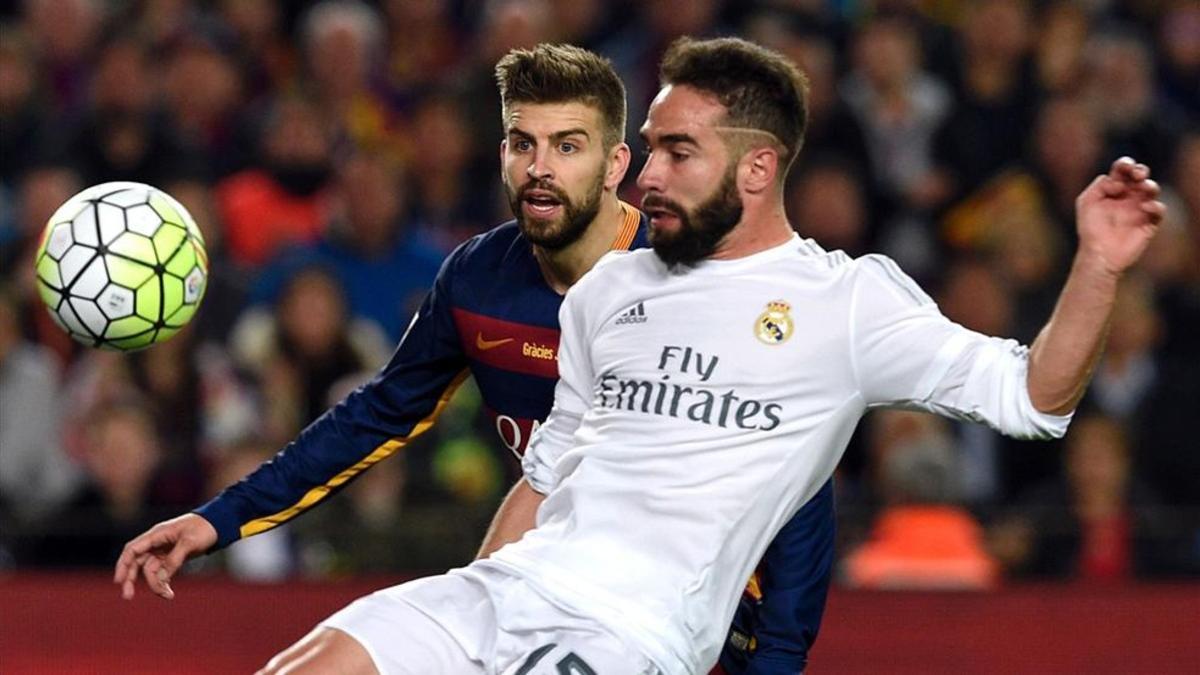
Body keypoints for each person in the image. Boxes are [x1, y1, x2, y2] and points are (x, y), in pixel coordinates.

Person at [114, 43, 836, 674]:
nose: (540, 169)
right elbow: (376, 416)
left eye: (568, 145)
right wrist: (220, 519)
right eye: (523, 144)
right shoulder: (478, 278)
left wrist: (773, 656)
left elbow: (801, 481)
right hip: (528, 577)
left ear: (618, 163)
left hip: (658, 611)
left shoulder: (701, 285)